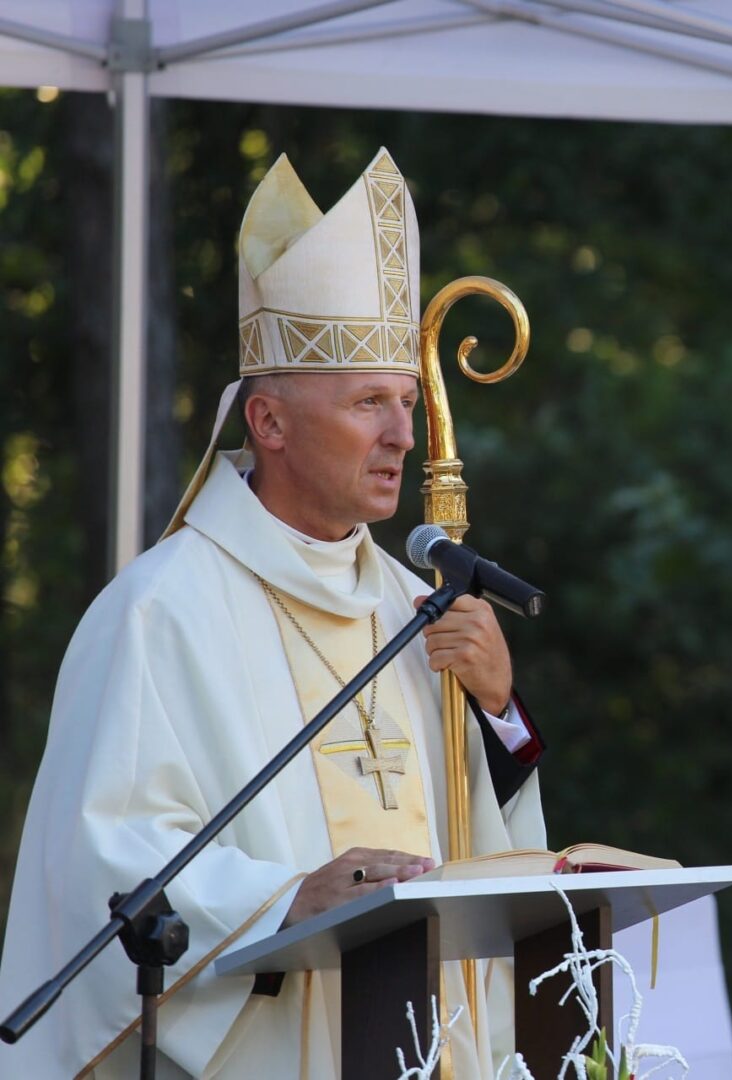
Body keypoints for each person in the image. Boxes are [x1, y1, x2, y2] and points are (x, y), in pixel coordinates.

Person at [0, 149, 547, 1078]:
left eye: (408, 404)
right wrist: (286, 898)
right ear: (270, 424)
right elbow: (102, 864)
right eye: (370, 402)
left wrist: (499, 709)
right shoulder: (159, 611)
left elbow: (481, 847)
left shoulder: (419, 606)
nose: (403, 436)